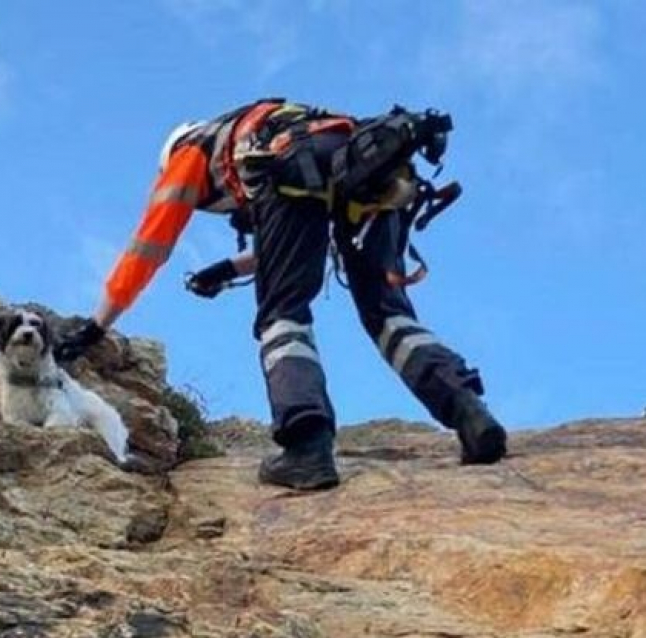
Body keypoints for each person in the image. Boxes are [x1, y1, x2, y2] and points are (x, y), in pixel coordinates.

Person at [55, 99, 508, 490]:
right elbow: (305, 239)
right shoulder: (286, 123)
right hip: (374, 173)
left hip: (298, 173)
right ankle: (470, 413)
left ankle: (307, 447)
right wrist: (226, 269)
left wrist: (97, 326)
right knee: (390, 317)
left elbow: (149, 247)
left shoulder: (191, 152)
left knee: (284, 315)